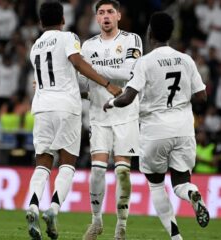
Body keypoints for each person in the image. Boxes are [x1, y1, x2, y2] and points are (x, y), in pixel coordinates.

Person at [103, 12, 210, 239]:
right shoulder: (186, 59)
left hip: (154, 131)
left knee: (156, 185)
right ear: (171, 34)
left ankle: (175, 236)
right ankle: (193, 193)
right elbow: (202, 97)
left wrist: (111, 102)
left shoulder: (145, 62)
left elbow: (128, 97)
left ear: (150, 32)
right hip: (184, 130)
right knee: (182, 182)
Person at [26, 2, 121, 240]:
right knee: (67, 163)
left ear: (40, 23)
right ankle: (54, 208)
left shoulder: (35, 47)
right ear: (63, 20)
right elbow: (77, 62)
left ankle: (33, 206)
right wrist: (107, 84)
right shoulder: (68, 37)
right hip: (66, 107)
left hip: (40, 108)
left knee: (42, 164)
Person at [79, 1, 143, 239]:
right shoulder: (88, 45)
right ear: (96, 18)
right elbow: (82, 81)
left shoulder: (132, 39)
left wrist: (91, 70)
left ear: (118, 15)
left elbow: (129, 72)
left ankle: (121, 225)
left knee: (122, 173)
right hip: (98, 115)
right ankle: (96, 222)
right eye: (101, 13)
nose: (105, 16)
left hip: (126, 114)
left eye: (110, 12)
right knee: (96, 171)